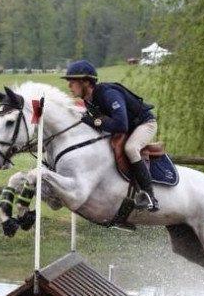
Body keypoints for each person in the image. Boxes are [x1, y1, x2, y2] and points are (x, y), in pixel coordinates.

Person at [61, 60, 160, 211]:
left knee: (131, 148)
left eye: (72, 82)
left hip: (144, 124)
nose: (69, 86)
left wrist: (93, 121)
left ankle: (149, 196)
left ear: (86, 82)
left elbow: (121, 125)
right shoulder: (88, 101)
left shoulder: (109, 94)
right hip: (127, 127)